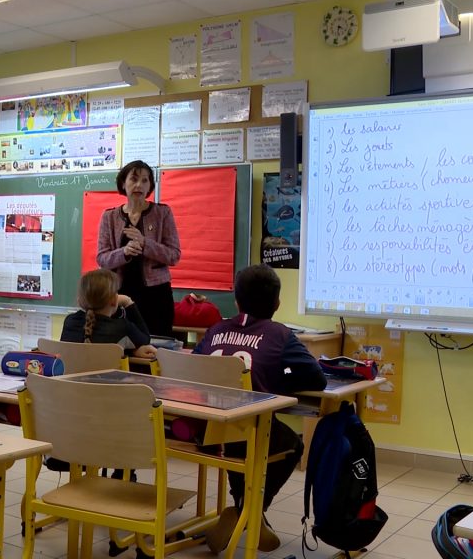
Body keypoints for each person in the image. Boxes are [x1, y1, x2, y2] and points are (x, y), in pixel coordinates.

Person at [193, 264, 327, 554]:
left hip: (204, 433)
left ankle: (242, 506)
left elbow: (193, 367)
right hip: (247, 431)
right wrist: (280, 378)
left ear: (237, 302)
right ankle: (251, 509)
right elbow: (317, 379)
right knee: (291, 445)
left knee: (235, 436)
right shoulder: (279, 335)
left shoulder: (215, 330)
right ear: (277, 304)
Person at [97, 159, 181, 338]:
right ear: (123, 183)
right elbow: (102, 259)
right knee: (121, 349)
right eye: (133, 179)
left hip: (157, 296)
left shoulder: (162, 213)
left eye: (145, 180)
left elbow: (174, 255)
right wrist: (124, 252)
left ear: (150, 185)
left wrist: (145, 243)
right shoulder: (109, 217)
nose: (139, 185)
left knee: (155, 349)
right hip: (118, 295)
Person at [60, 268, 157, 359]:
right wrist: (128, 303)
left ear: (80, 300)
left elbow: (86, 353)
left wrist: (128, 352)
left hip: (65, 377)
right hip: (106, 377)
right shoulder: (122, 327)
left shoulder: (70, 321)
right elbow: (145, 340)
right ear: (114, 300)